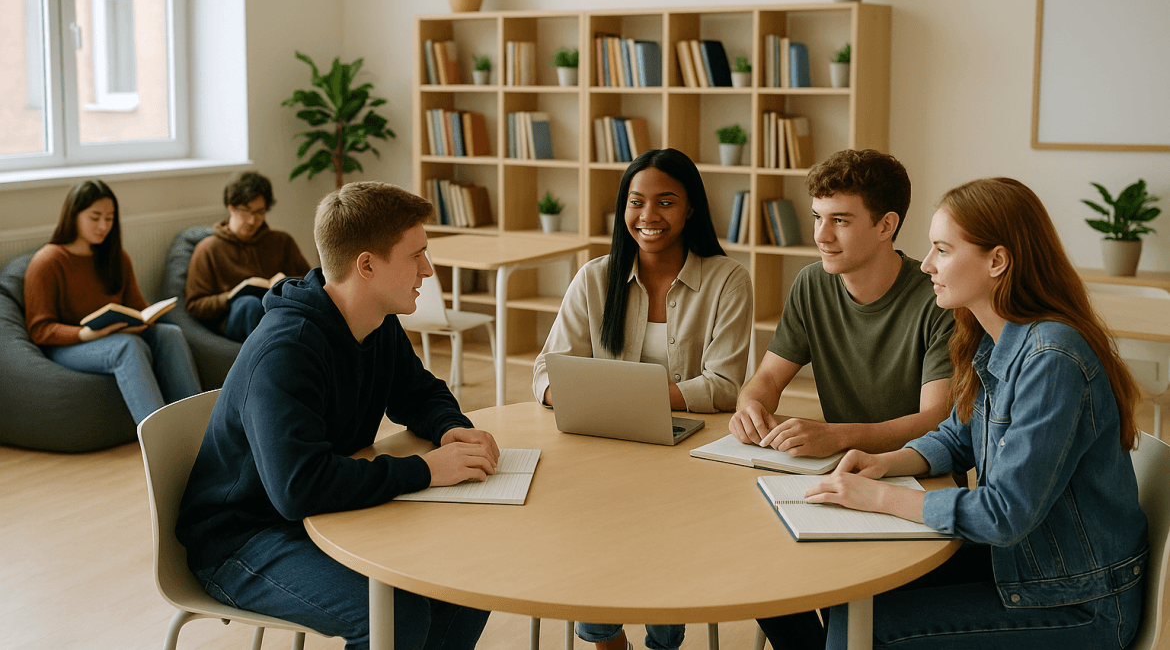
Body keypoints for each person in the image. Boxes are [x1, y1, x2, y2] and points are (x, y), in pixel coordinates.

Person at [806, 177, 1148, 649]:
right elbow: (956, 436)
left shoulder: (1053, 359)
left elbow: (1004, 513)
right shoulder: (997, 338)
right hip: (1024, 567)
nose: (926, 265)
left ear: (997, 261)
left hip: (1078, 601)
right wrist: (884, 463)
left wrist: (878, 498)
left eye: (942, 250)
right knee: (850, 595)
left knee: (868, 627)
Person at [176, 182, 499, 650]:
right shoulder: (286, 350)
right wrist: (424, 471)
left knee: (464, 578)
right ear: (366, 264)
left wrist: (451, 429)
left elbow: (418, 392)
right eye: (417, 255)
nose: (428, 270)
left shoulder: (377, 321)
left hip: (324, 517)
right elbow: (297, 488)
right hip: (243, 539)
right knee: (396, 614)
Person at [728, 149, 955, 649]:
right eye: (817, 217)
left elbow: (936, 418)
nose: (820, 235)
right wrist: (751, 405)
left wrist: (834, 434)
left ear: (885, 226)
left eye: (840, 221)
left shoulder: (937, 296)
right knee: (750, 564)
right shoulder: (812, 284)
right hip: (837, 476)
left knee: (833, 595)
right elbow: (767, 376)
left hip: (914, 481)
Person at [533, 148, 753, 650]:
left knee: (664, 538)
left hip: (685, 454)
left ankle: (662, 642)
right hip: (598, 448)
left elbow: (723, 386)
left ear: (691, 207)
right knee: (584, 527)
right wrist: (564, 393)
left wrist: (629, 398)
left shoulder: (727, 280)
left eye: (666, 202)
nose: (648, 216)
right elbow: (546, 368)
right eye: (636, 202)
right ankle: (606, 641)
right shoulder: (595, 276)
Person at [23, 180, 202, 424]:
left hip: (114, 334)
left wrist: (144, 319)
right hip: (69, 345)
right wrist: (85, 335)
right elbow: (39, 329)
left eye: (109, 218)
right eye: (95, 217)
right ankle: (157, 438)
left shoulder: (116, 257)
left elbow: (137, 306)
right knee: (128, 346)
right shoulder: (48, 261)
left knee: (170, 334)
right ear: (74, 216)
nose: (103, 226)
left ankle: (199, 427)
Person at [185, 171, 312, 341]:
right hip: (235, 318)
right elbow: (195, 306)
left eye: (260, 212)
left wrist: (288, 281)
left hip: (276, 312)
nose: (253, 220)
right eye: (246, 211)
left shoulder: (282, 241)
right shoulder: (208, 249)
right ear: (231, 207)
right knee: (249, 304)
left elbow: (310, 284)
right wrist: (231, 295)